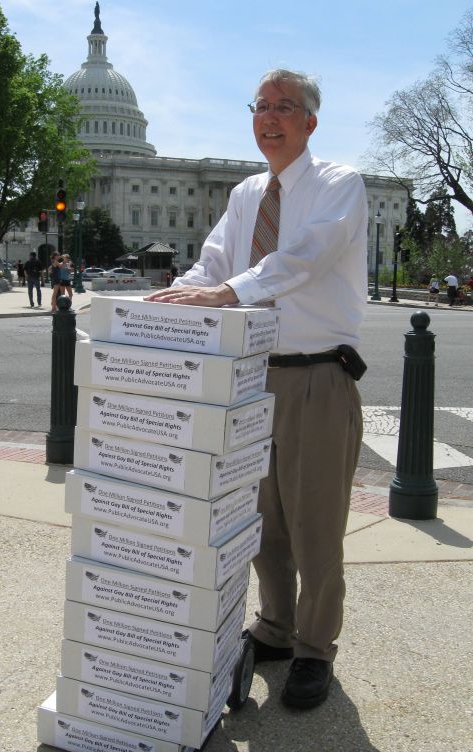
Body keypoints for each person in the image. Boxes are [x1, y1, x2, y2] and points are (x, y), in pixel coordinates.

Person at [145, 68, 367, 710]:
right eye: (261, 106)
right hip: (249, 375)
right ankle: (275, 626)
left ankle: (315, 648)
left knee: (315, 522)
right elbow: (215, 261)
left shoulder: (338, 185)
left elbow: (303, 258)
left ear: (310, 122)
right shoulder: (246, 193)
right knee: (260, 515)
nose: (269, 117)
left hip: (315, 375)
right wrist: (167, 303)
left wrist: (227, 292)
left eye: (284, 107)